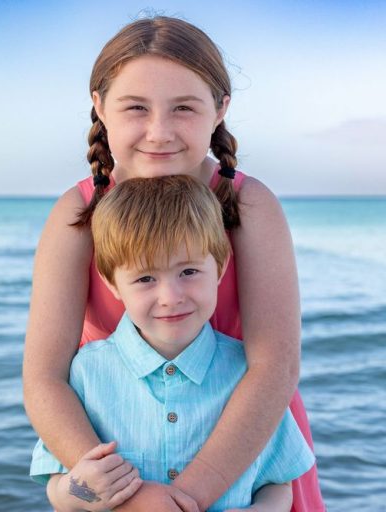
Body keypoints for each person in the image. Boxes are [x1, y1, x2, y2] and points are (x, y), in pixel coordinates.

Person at [22, 15, 326, 512]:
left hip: (244, 460)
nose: (159, 132)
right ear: (100, 106)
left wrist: (188, 498)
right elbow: (44, 379)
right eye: (135, 107)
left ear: (220, 108)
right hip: (124, 473)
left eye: (183, 107)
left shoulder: (250, 206)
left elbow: (275, 367)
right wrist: (125, 494)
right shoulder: (77, 215)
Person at [31, 175, 315, 511]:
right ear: (112, 283)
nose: (170, 297)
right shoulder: (87, 374)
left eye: (188, 272)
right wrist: (82, 491)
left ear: (220, 267)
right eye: (145, 278)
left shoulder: (248, 376)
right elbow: (58, 489)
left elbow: (277, 484)